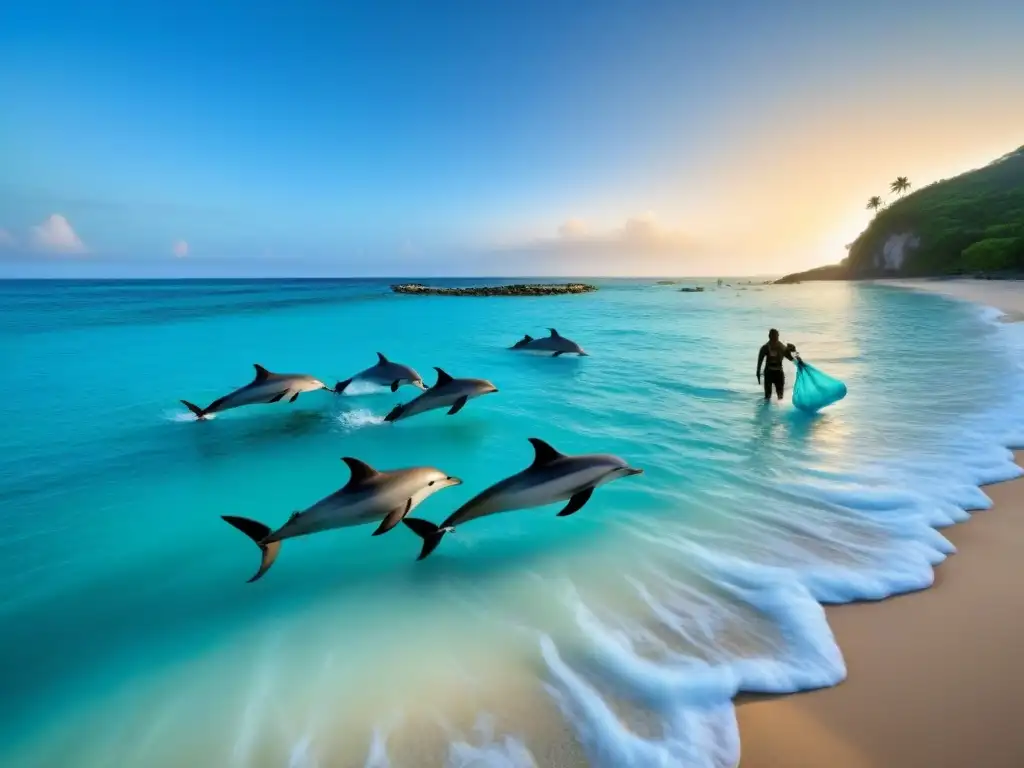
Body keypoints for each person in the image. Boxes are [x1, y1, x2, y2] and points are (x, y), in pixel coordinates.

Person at [756, 329, 798, 401]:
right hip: (769, 373)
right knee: (767, 397)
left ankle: (778, 409)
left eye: (776, 337)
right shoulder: (765, 347)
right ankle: (767, 411)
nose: (775, 338)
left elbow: (791, 358)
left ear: (778, 337)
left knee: (780, 397)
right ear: (769, 336)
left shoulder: (781, 347)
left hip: (779, 374)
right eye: (773, 337)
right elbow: (760, 361)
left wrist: (794, 351)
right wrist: (758, 372)